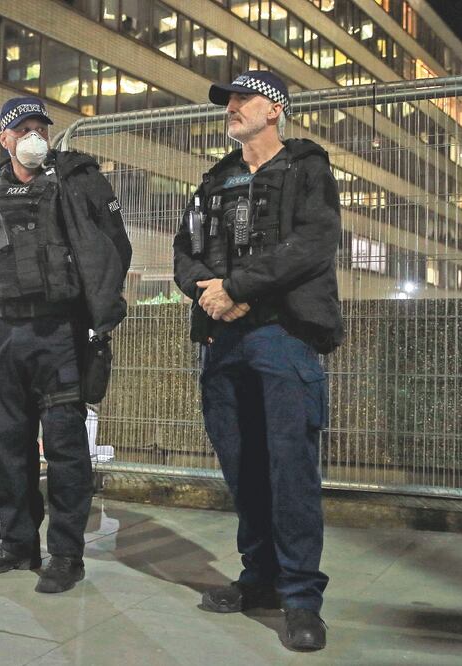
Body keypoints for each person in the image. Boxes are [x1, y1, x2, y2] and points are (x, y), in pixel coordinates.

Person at [173, 71, 343, 651]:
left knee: (289, 468)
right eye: (228, 102)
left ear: (275, 110)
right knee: (241, 464)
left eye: (242, 99)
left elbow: (313, 245)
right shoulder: (214, 179)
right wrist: (208, 291)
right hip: (224, 339)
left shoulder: (306, 169)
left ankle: (300, 598)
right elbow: (183, 253)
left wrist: (237, 284)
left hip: (281, 335)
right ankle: (260, 579)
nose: (232, 108)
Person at [0, 96, 131, 593]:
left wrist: (97, 311)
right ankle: (16, 543)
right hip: (1, 335)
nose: (34, 135)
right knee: (7, 447)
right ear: (4, 137)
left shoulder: (76, 180)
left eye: (41, 126)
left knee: (65, 449)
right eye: (23, 128)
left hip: (58, 333)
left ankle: (66, 555)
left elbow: (115, 245)